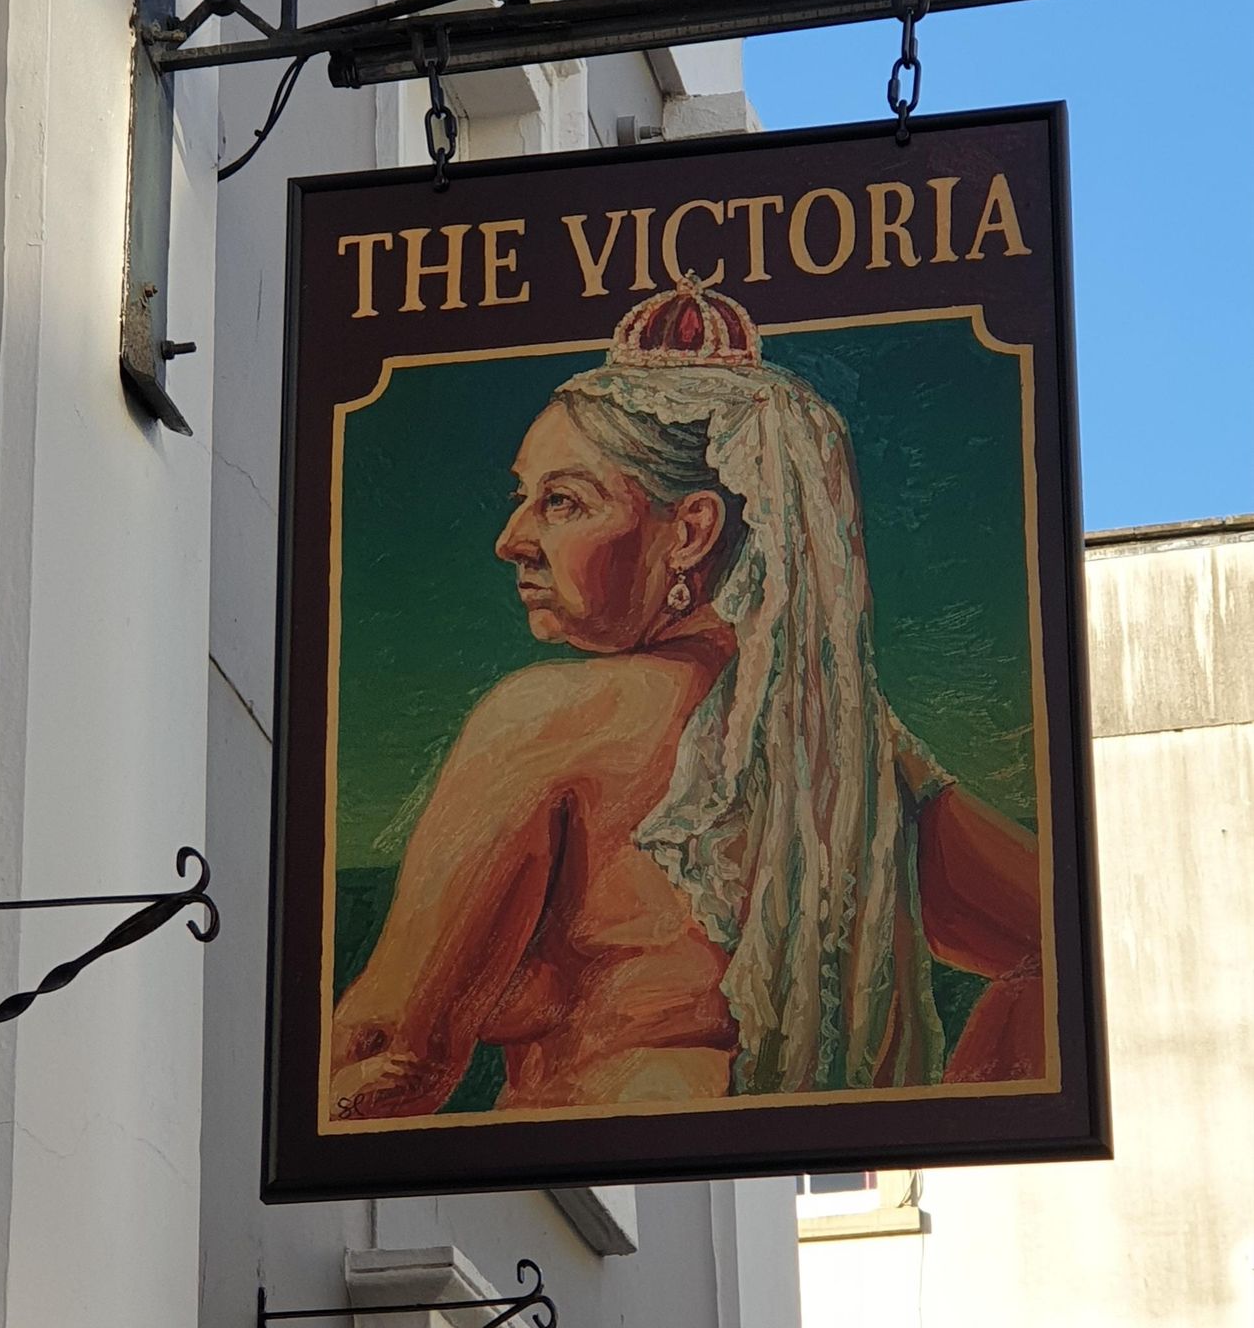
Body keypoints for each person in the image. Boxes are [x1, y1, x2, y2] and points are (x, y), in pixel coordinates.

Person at [330, 275, 1043, 1120]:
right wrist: (945, 1122)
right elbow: (1054, 947)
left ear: (692, 531)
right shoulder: (852, 750)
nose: (512, 539)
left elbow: (389, 1054)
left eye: (562, 502)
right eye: (523, 499)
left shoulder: (543, 722)